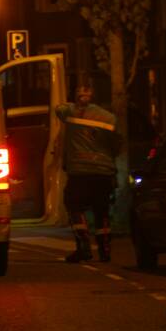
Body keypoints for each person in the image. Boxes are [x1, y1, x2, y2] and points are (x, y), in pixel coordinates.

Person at [56, 79, 121, 263]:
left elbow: (58, 108)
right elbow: (117, 145)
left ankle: (84, 246)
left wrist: (75, 101)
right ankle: (105, 250)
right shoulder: (109, 118)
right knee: (102, 210)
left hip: (80, 171)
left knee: (74, 205)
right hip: (104, 172)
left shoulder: (70, 112)